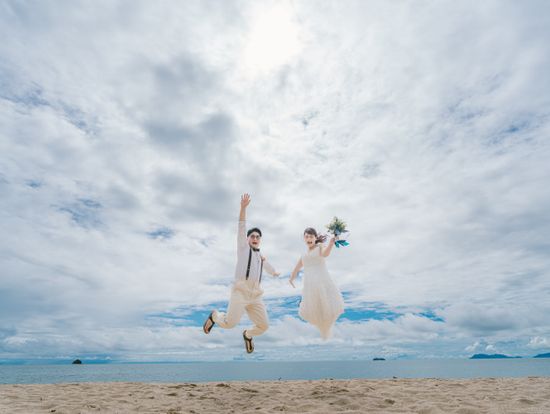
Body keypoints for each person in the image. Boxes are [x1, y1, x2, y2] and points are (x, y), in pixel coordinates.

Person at [203, 193, 280, 353]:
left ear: (260, 240)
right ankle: (215, 316)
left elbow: (267, 265)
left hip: (255, 295)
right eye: (252, 236)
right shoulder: (243, 248)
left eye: (258, 237)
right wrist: (243, 208)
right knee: (229, 324)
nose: (255, 238)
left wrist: (274, 273)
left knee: (264, 326)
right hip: (240, 292)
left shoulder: (260, 256)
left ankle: (248, 335)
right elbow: (241, 227)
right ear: (247, 239)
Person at [289, 227, 344, 339]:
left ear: (315, 238)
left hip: (321, 281)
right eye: (306, 237)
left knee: (326, 305)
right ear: (304, 239)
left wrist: (331, 244)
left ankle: (327, 326)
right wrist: (291, 278)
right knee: (314, 308)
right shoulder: (304, 254)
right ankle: (322, 329)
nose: (309, 239)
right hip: (310, 284)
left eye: (311, 236)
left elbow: (325, 254)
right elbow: (297, 267)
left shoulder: (319, 247)